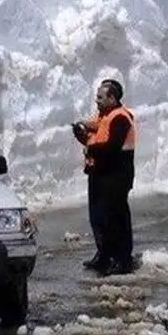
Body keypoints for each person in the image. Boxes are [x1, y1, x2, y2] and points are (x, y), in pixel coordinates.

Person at [72, 78, 137, 275]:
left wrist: (90, 147)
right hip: (99, 174)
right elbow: (95, 140)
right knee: (98, 218)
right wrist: (81, 134)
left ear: (112, 98)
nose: (96, 101)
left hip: (116, 176)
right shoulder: (103, 117)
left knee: (116, 219)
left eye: (100, 97)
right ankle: (104, 255)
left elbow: (111, 148)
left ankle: (122, 259)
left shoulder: (120, 118)